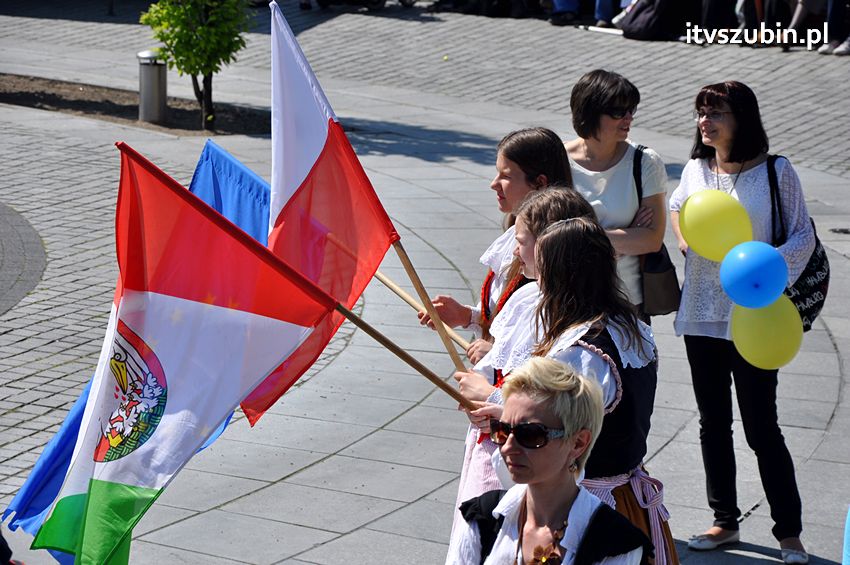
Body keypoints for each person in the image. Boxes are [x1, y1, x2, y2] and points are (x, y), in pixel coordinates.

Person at [454, 211, 678, 565]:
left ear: (562, 277)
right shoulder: (628, 327)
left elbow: (563, 425)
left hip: (586, 509)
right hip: (624, 494)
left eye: (542, 269)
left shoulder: (582, 353)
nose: (537, 281)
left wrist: (495, 401)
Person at [669, 81, 815, 565]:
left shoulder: (776, 171)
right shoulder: (694, 169)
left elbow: (803, 237)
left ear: (742, 118)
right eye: (700, 113)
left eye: (715, 113)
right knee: (713, 423)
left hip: (755, 317)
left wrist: (765, 270)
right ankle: (724, 520)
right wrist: (687, 239)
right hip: (703, 312)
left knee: (761, 426)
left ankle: (789, 534)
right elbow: (678, 209)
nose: (704, 122)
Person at [444, 188, 598, 563]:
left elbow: (565, 407)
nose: (514, 251)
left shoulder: (581, 334)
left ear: (551, 247)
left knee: (509, 538)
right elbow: (498, 360)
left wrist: (492, 396)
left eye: (522, 241)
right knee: (476, 537)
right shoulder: (526, 299)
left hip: (528, 457)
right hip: (493, 443)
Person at [448, 357, 652, 565]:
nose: (508, 447)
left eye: (530, 434)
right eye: (501, 430)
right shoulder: (482, 518)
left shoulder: (614, 544)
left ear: (578, 443)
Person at [419, 127, 573, 364]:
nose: (494, 184)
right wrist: (467, 316)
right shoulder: (516, 237)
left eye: (506, 176)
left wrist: (499, 355)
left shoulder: (554, 257)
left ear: (540, 183)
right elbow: (506, 318)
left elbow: (557, 348)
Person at [564, 70, 668, 319]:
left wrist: (581, 238)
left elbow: (652, 239)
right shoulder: (558, 159)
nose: (628, 118)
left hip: (627, 303)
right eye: (618, 112)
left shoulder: (645, 162)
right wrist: (624, 236)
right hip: (568, 299)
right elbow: (547, 235)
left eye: (631, 110)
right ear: (590, 112)